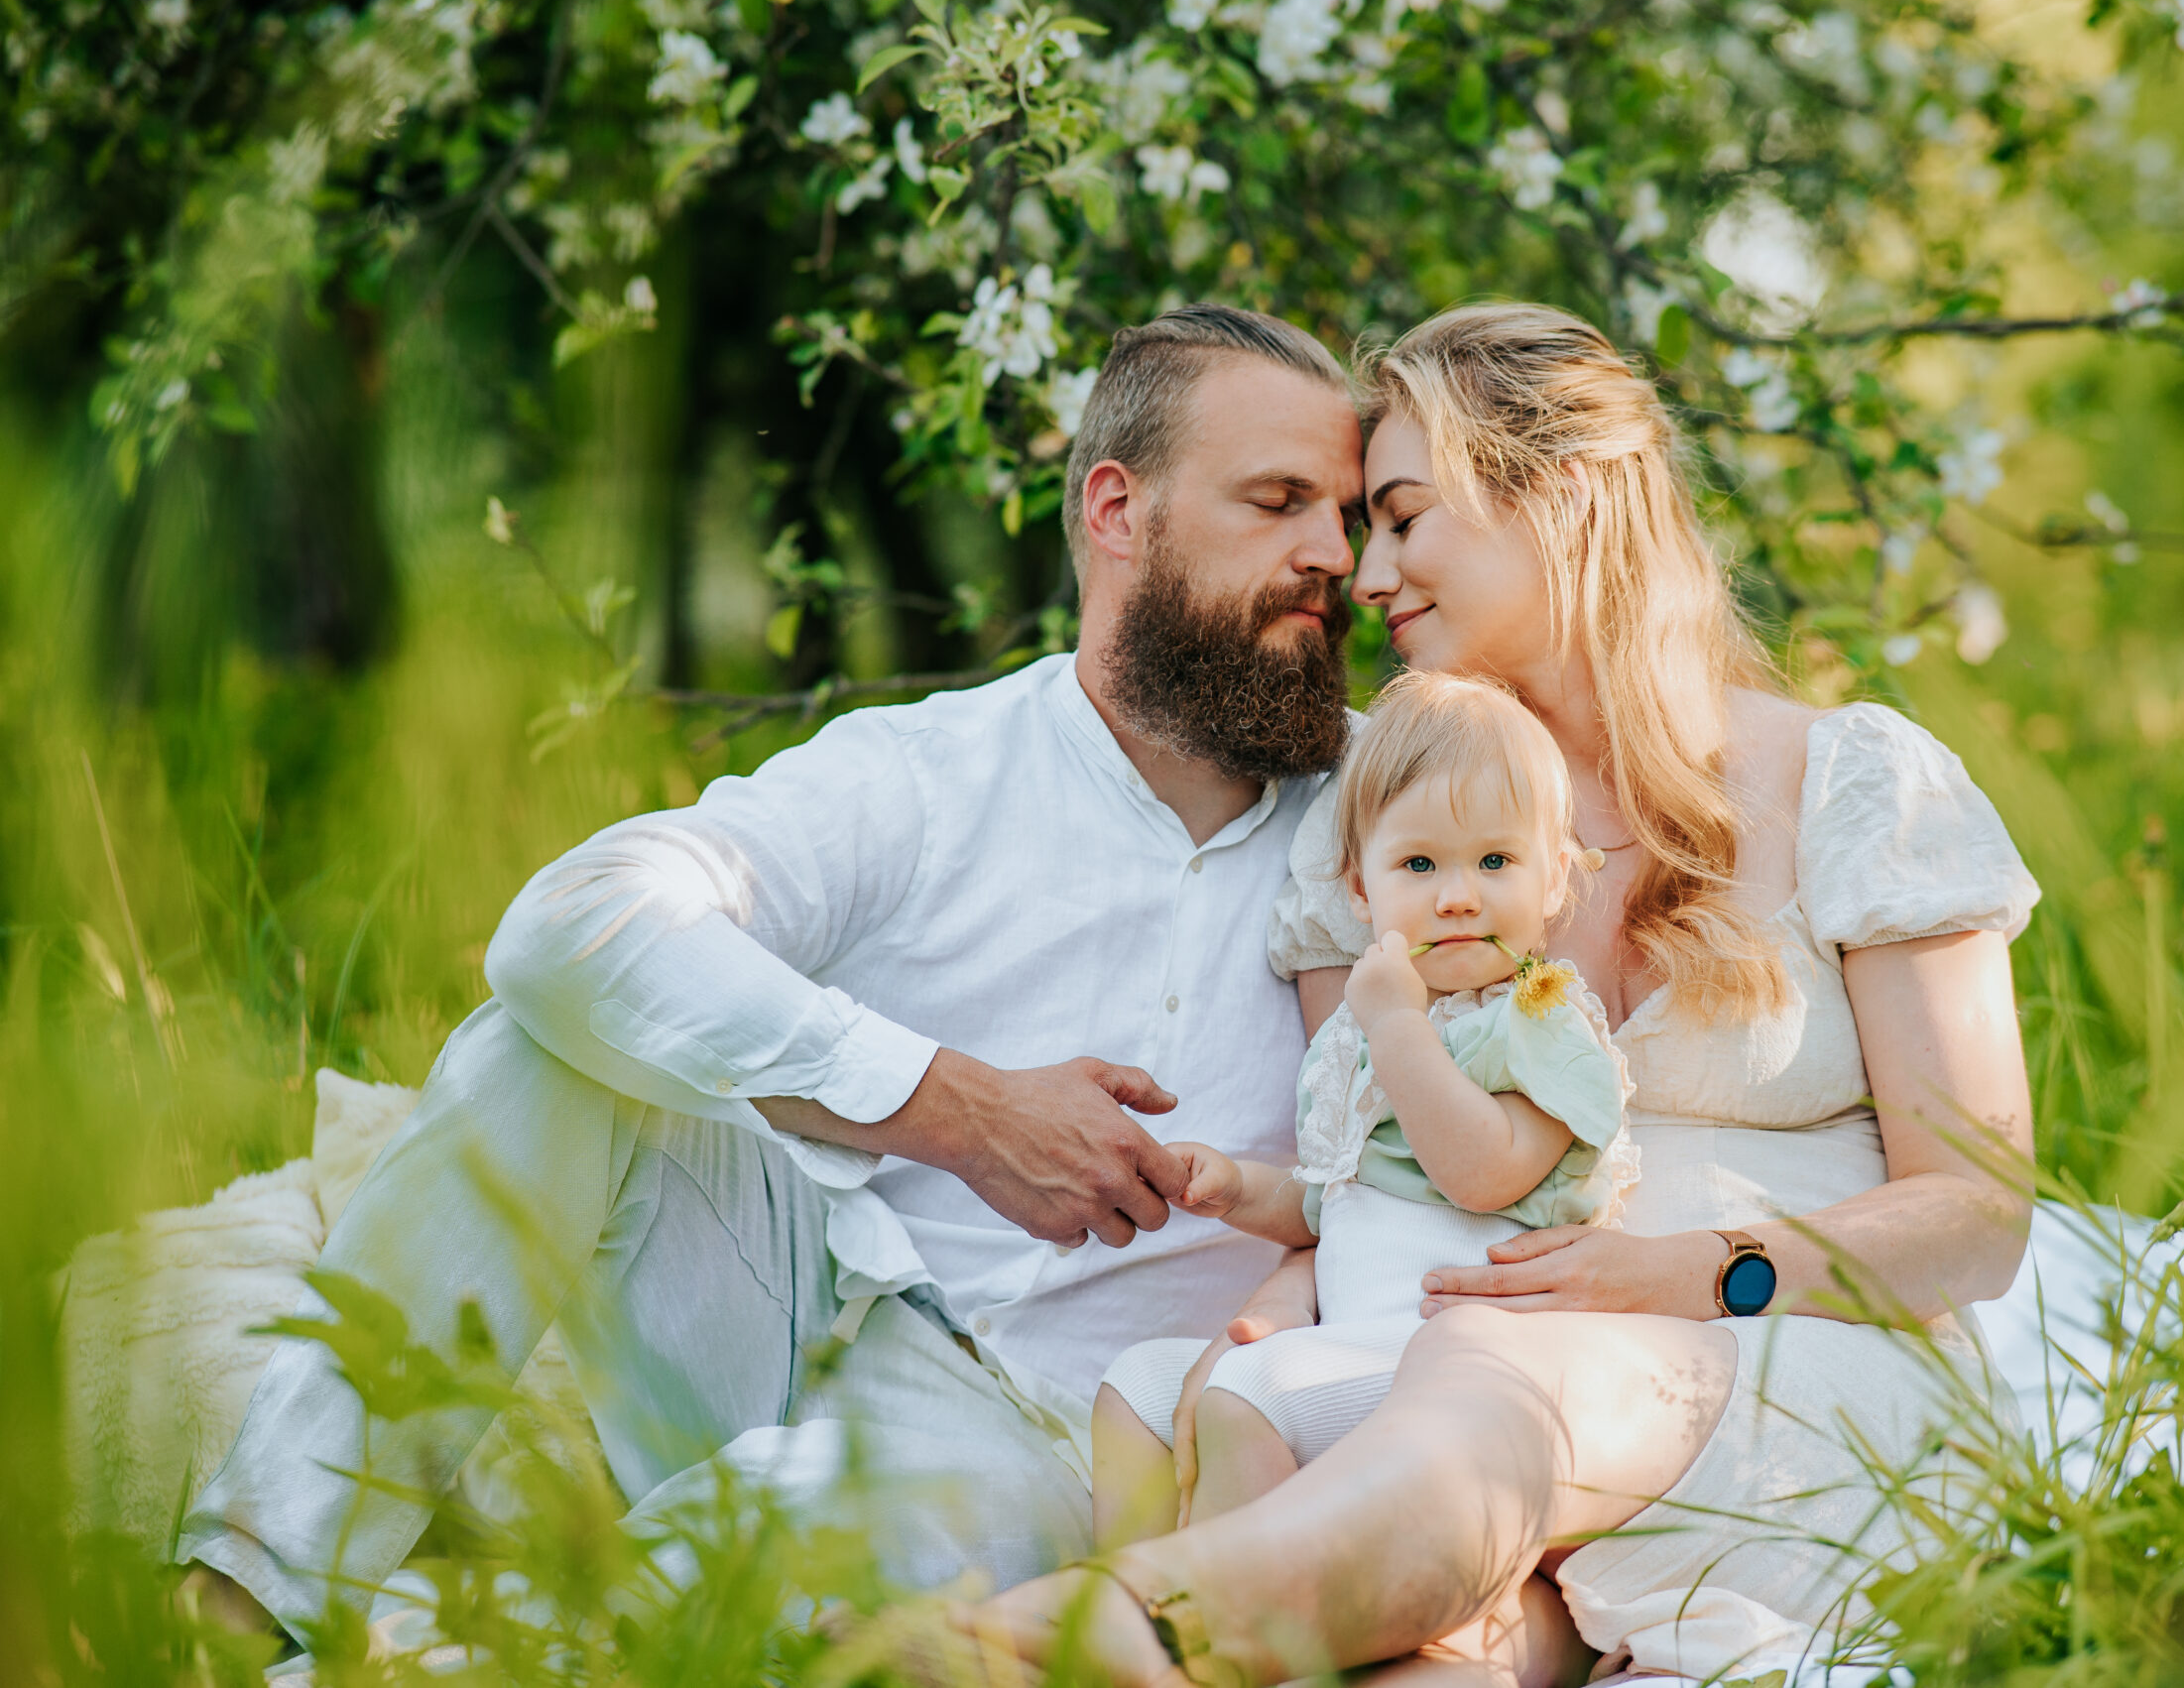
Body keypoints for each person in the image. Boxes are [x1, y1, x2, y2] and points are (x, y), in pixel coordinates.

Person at [174, 303, 1368, 1644]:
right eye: (1278, 502)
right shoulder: (932, 772)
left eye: (1347, 516)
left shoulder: (1400, 819)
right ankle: (242, 1598)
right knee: (546, 1046)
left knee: (692, 1584)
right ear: (1116, 510)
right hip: (792, 1300)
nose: (1333, 556)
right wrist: (958, 1108)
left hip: (1048, 1434)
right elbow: (571, 921)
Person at [964, 301, 2040, 1688]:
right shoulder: (1389, 838)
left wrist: (1691, 1273)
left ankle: (1060, 1643)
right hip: (1474, 1446)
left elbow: (1977, 1212)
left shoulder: (1854, 783)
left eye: (1404, 517)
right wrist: (1276, 1308)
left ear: (1560, 497)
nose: (1366, 574)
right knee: (1418, 1641)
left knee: (1500, 1382)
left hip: (1785, 1379)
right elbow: (1366, 1169)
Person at [1093, 673, 1635, 1542]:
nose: (1457, 895)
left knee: (1250, 1391)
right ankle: (1120, 1617)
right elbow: (1331, 1204)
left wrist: (1395, 1024)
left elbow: (1483, 1173)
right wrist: (1236, 1187)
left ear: (1554, 879)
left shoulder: (1540, 1020)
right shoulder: (1363, 1034)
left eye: (1495, 861)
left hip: (1466, 1359)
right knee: (1138, 1387)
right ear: (1360, 890)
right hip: (1356, 1343)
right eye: (1419, 864)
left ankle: (1232, 1616)